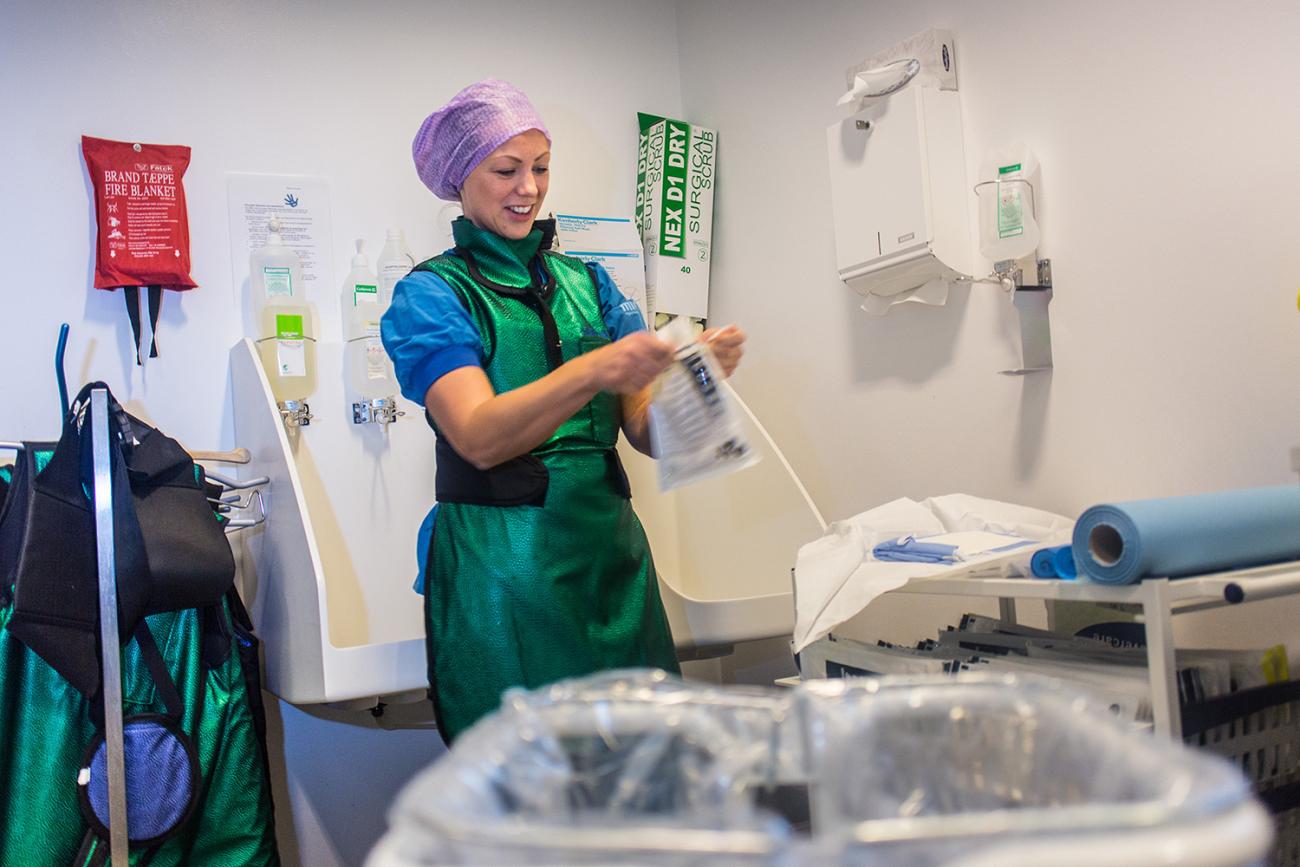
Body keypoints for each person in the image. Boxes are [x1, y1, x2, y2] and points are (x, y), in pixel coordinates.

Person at [382, 79, 745, 742]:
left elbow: (645, 431)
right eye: (506, 169)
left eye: (541, 168)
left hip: (614, 564)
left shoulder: (592, 286)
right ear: (462, 176)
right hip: (505, 572)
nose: (529, 188)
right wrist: (593, 369)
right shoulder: (431, 295)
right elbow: (479, 437)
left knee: (644, 770)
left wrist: (698, 383)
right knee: (529, 788)